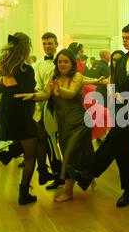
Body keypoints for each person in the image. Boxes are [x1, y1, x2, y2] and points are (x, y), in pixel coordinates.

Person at [65, 23, 129, 208]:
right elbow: (116, 82)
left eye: (128, 37)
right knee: (122, 151)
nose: (124, 40)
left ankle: (87, 173)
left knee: (112, 141)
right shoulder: (123, 60)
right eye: (123, 37)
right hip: (122, 109)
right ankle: (127, 191)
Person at [15, 49, 95, 202]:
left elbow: (71, 94)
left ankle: (67, 191)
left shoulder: (76, 76)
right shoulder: (54, 77)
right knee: (77, 153)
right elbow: (45, 94)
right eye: (60, 61)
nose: (62, 64)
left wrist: (59, 89)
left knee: (70, 156)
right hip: (64, 125)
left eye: (66, 61)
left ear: (72, 63)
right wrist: (31, 96)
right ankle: (88, 175)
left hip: (80, 122)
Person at [0, 33, 41, 205]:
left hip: (6, 109)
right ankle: (23, 193)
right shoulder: (25, 69)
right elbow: (28, 91)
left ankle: (8, 153)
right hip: (20, 112)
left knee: (41, 135)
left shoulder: (7, 67)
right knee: (31, 155)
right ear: (26, 47)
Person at [32, 32, 63, 189]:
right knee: (49, 140)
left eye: (50, 43)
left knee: (65, 142)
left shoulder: (63, 60)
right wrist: (39, 94)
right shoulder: (38, 64)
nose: (47, 46)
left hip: (62, 104)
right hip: (46, 105)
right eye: (44, 44)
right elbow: (37, 83)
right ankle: (58, 176)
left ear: (56, 44)